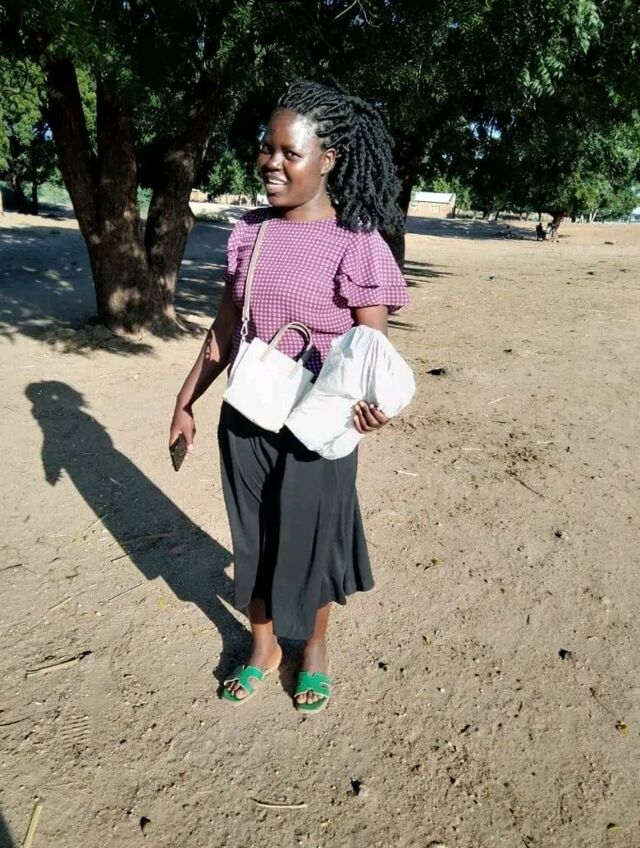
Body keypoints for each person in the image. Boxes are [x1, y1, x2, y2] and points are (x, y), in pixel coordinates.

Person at [169, 80, 409, 714]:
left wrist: (373, 409)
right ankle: (264, 647)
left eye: (289, 153)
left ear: (327, 159)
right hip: (248, 416)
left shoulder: (357, 241)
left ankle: (316, 649)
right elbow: (225, 328)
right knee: (253, 538)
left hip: (320, 424)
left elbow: (372, 352)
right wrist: (185, 401)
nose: (271, 163)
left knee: (313, 538)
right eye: (266, 148)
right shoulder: (250, 233)